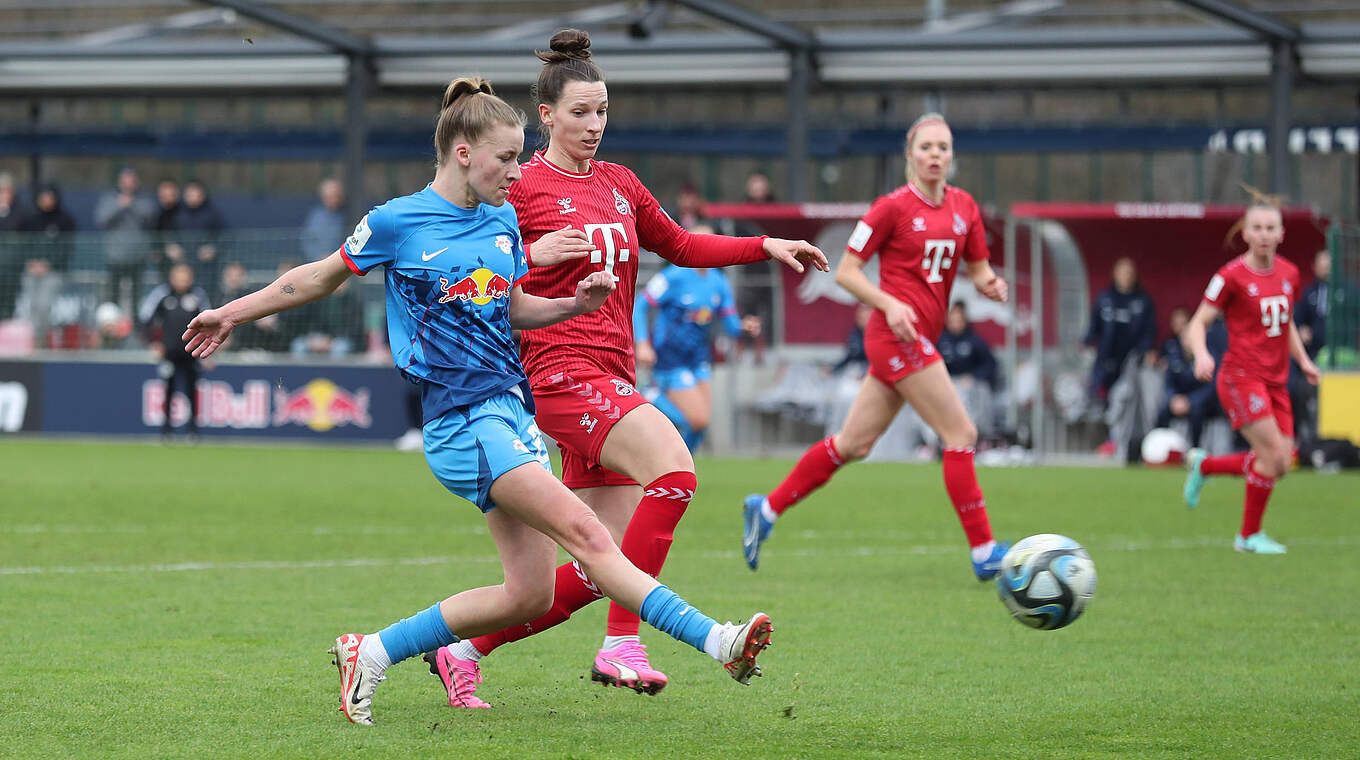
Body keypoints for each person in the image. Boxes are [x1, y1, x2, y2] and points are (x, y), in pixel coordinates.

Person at [181, 77, 775, 727]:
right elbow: (313, 279)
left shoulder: (499, 218)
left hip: (510, 412)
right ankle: (717, 641)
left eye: (521, 157)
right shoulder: (398, 221)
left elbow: (512, 304)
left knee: (528, 593)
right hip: (462, 420)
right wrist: (231, 312)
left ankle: (371, 650)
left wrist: (572, 305)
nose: (517, 172)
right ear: (464, 153)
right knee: (589, 534)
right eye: (507, 158)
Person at [424, 31, 824, 709]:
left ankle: (461, 650)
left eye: (602, 111)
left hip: (614, 377)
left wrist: (766, 244)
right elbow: (465, 270)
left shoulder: (620, 184)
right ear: (546, 116)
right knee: (675, 469)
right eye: (580, 112)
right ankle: (622, 643)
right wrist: (533, 256)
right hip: (557, 374)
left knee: (593, 565)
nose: (594, 125)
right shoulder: (519, 186)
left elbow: (684, 244)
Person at [740, 111, 1010, 580]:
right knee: (961, 434)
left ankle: (765, 510)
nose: (935, 156)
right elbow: (846, 271)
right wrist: (891, 304)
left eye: (943, 148)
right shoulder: (890, 208)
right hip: (893, 337)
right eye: (925, 147)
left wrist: (990, 284)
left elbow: (979, 266)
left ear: (952, 157)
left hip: (919, 338)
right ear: (909, 155)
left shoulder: (965, 207)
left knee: (854, 443)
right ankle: (984, 551)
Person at [1181, 197, 1321, 554]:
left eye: (1270, 228)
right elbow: (1198, 322)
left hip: (1277, 379)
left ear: (1281, 233)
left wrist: (1303, 361)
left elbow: (1284, 321)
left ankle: (1206, 465)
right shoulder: (1229, 277)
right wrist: (1201, 354)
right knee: (1273, 455)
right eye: (1256, 228)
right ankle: (1247, 537)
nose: (1263, 235)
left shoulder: (1289, 273)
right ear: (1245, 233)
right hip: (1240, 377)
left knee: (1281, 464)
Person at [634, 229, 762, 451]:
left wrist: (745, 327)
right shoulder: (672, 276)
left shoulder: (719, 281)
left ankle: (680, 474)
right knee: (696, 420)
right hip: (670, 356)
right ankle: (650, 394)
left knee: (700, 426)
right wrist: (643, 343)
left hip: (698, 358)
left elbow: (731, 327)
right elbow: (640, 305)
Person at [141, 263, 210, 439]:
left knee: (191, 390)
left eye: (185, 276)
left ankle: (193, 432)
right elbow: (145, 319)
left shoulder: (198, 295)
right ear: (172, 277)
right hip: (169, 353)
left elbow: (210, 322)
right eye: (179, 276)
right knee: (168, 391)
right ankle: (166, 431)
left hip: (192, 353)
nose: (182, 280)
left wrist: (208, 349)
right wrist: (154, 343)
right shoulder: (162, 294)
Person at [1155, 306, 1226, 449]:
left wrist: (1191, 401)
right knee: (1162, 412)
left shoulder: (1208, 356)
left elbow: (1211, 388)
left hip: (1202, 403)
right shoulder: (1174, 355)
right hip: (1180, 400)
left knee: (1196, 412)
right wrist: (1173, 398)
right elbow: (1168, 383)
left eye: (1191, 338)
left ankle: (1194, 450)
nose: (1188, 341)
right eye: (1185, 338)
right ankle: (1160, 448)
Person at [14, 184, 76, 348]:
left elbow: (66, 249)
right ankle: (32, 340)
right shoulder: (30, 219)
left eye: (49, 197)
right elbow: (22, 245)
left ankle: (40, 340)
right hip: (31, 270)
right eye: (43, 197)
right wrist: (30, 262)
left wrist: (48, 264)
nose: (46, 201)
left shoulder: (64, 220)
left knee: (43, 305)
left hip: (53, 272)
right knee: (32, 307)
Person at [95, 167, 156, 314]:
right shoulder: (109, 199)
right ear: (119, 182)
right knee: (113, 296)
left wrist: (132, 205)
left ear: (136, 183)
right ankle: (113, 327)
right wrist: (120, 206)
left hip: (137, 257)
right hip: (115, 257)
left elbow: (151, 218)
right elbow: (101, 220)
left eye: (131, 181)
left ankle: (136, 328)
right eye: (124, 181)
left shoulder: (143, 201)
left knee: (136, 297)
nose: (128, 185)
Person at [937, 300, 1000, 439]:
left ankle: (976, 434)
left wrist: (974, 377)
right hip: (947, 384)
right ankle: (937, 438)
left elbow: (989, 365)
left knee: (977, 392)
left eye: (959, 320)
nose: (955, 323)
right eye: (952, 320)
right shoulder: (941, 341)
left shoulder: (975, 341)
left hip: (971, 386)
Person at [177, 180, 227, 298]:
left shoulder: (212, 214)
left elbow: (224, 237)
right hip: (183, 264)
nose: (193, 197)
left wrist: (213, 248)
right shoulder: (178, 214)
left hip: (206, 268)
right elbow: (167, 235)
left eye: (196, 194)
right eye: (190, 194)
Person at [301, 177, 347, 262]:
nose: (334, 200)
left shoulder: (348, 216)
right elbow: (307, 241)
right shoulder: (315, 217)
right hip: (318, 263)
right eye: (329, 196)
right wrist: (318, 256)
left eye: (336, 196)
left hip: (341, 262)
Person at [151, 179, 183, 278]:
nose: (166, 198)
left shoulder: (184, 214)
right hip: (165, 263)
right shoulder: (157, 215)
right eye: (163, 195)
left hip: (185, 261)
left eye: (170, 194)